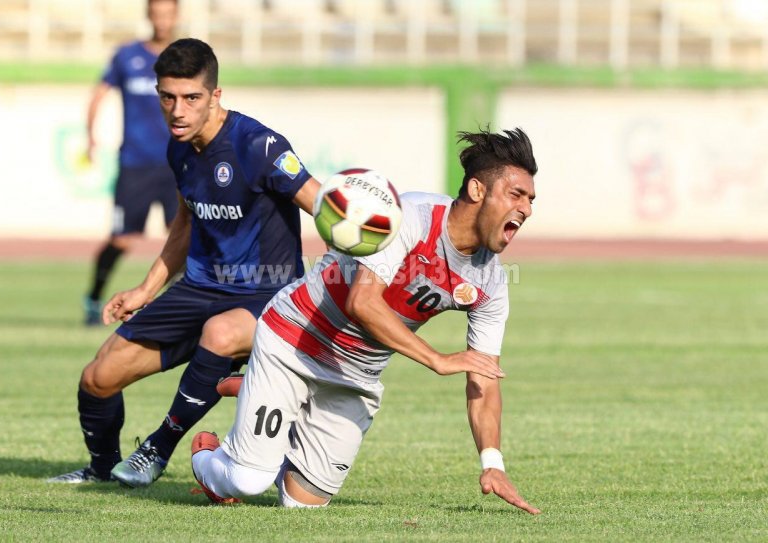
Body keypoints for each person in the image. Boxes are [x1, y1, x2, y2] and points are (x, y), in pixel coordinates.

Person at [191, 128, 542, 514]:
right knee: (248, 479)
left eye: (530, 199)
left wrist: (492, 462)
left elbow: (484, 376)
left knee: (301, 504)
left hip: (355, 373)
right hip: (296, 339)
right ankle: (209, 457)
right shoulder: (411, 217)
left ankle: (273, 400)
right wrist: (438, 360)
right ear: (477, 190)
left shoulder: (491, 280)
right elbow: (362, 301)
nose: (526, 208)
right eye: (516, 194)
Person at [48, 38, 321, 486]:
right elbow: (185, 223)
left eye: (191, 98)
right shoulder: (179, 148)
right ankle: (103, 473)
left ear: (215, 95)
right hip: (198, 289)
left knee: (219, 332)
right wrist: (145, 289)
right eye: (167, 97)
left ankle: (157, 447)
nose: (178, 110)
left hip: (264, 295)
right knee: (98, 377)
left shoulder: (258, 145)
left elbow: (323, 209)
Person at [84, 0, 180, 326]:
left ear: (175, 15)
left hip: (174, 165)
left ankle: (184, 308)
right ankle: (93, 298)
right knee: (121, 239)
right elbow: (99, 93)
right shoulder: (127, 56)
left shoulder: (183, 58)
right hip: (135, 164)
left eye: (168, 13)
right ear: (150, 15)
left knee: (184, 236)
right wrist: (90, 134)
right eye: (157, 12)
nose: (162, 19)